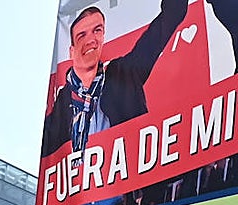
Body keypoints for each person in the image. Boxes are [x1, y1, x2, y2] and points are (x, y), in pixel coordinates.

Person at [41, 2, 188, 158]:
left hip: (131, 176)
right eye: (82, 35)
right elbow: (43, 147)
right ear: (72, 51)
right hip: (85, 179)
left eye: (97, 31)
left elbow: (173, 15)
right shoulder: (64, 101)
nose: (91, 40)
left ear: (103, 37)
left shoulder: (123, 72)